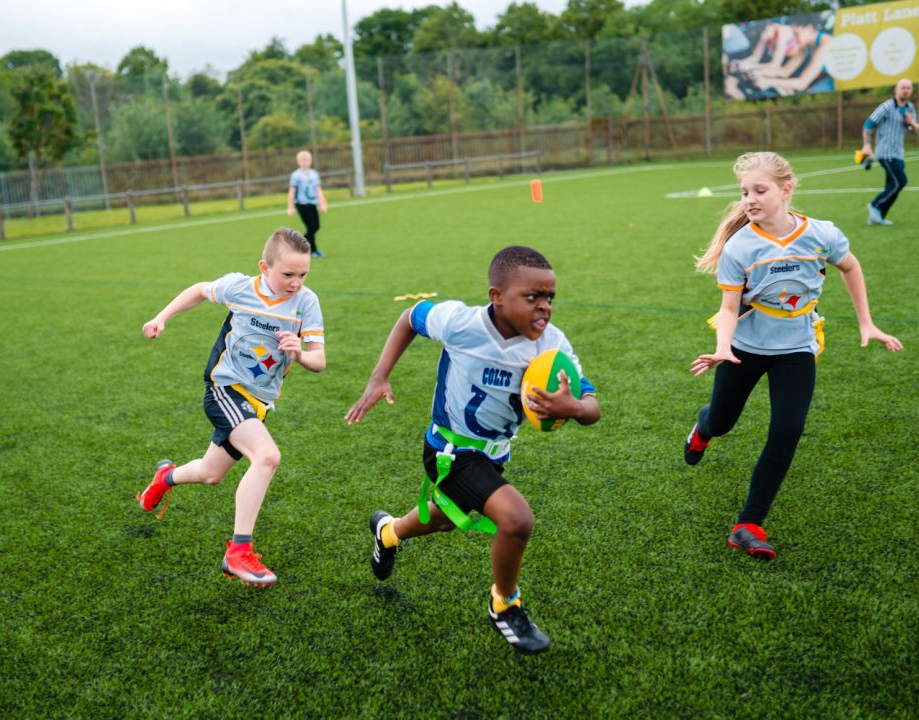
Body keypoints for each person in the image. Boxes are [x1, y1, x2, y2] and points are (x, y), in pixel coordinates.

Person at [345, 246, 601, 655]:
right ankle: (505, 604)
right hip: (449, 449)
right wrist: (379, 377)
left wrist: (573, 408)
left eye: (549, 297)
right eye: (532, 297)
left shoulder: (552, 346)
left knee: (445, 520)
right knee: (516, 520)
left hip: (494, 453)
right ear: (496, 296)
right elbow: (410, 317)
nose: (544, 307)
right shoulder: (460, 322)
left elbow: (593, 408)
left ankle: (389, 532)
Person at [683, 152, 903, 560]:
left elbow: (850, 268)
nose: (750, 199)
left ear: (786, 190)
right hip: (745, 348)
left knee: (787, 430)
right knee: (723, 420)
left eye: (759, 190)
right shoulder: (740, 247)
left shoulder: (821, 234)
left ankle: (749, 523)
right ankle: (703, 426)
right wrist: (722, 347)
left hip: (796, 348)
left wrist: (866, 323)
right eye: (745, 191)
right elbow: (730, 307)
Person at [137, 227, 326, 587]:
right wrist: (161, 317)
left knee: (210, 473)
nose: (296, 282)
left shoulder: (306, 303)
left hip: (257, 404)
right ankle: (238, 552)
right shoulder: (240, 288)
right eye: (288, 274)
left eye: (303, 274)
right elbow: (197, 290)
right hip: (224, 388)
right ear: (264, 267)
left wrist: (299, 353)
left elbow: (320, 361)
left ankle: (165, 477)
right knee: (267, 456)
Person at [861, 78, 919, 226]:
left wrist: (911, 123)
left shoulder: (910, 108)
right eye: (902, 88)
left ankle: (877, 217)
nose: (905, 90)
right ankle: (875, 205)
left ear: (911, 90)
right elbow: (868, 124)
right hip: (885, 152)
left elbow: (915, 130)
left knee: (892, 185)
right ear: (896, 89)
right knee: (900, 181)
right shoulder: (886, 107)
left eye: (908, 88)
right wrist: (867, 145)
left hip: (899, 153)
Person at [287, 150, 329, 257]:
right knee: (310, 227)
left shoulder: (314, 174)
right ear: (298, 161)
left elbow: (318, 190)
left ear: (311, 161)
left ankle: (298, 242)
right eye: (302, 160)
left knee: (316, 226)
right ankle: (313, 250)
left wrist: (323, 204)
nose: (305, 162)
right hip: (301, 204)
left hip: (312, 204)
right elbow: (292, 192)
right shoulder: (296, 175)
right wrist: (290, 207)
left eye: (307, 159)